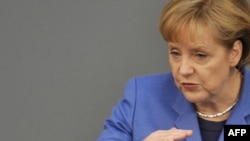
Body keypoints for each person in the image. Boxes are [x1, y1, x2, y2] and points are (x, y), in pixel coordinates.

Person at [97, 0, 250, 140]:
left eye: (200, 55)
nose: (183, 70)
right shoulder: (142, 97)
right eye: (175, 53)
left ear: (234, 53)